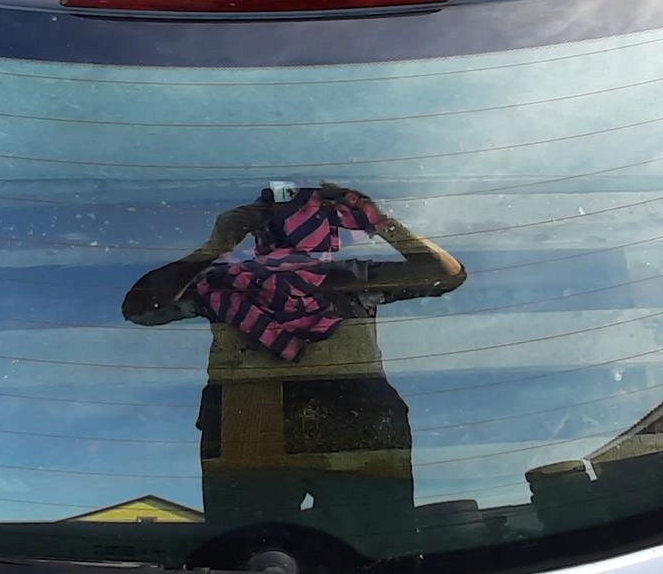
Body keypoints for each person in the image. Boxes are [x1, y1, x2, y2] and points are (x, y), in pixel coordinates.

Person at [121, 186, 465, 554]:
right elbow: (141, 308)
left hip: (355, 430)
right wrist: (214, 247)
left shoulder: (352, 276)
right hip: (253, 428)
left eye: (307, 210)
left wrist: (379, 220)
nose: (292, 221)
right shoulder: (224, 282)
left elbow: (445, 275)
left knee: (378, 559)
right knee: (246, 562)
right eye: (275, 212)